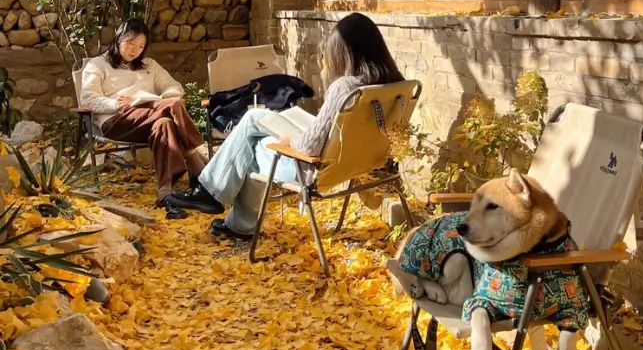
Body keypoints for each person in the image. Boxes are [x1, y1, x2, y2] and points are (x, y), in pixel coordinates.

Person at [167, 12, 404, 241]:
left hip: (313, 171)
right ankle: (233, 219)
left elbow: (309, 147)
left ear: (346, 53)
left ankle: (214, 197)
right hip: (358, 161)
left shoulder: (345, 87)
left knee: (251, 138)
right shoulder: (395, 84)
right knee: (255, 125)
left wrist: (289, 140)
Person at [79, 18, 207, 205]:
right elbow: (87, 97)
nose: (135, 50)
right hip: (116, 122)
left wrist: (155, 100)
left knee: (165, 123)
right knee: (173, 106)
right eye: (131, 43)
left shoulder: (149, 65)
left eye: (140, 46)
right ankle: (195, 161)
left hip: (149, 117)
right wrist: (116, 104)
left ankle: (166, 192)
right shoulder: (97, 65)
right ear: (118, 38)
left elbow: (175, 88)